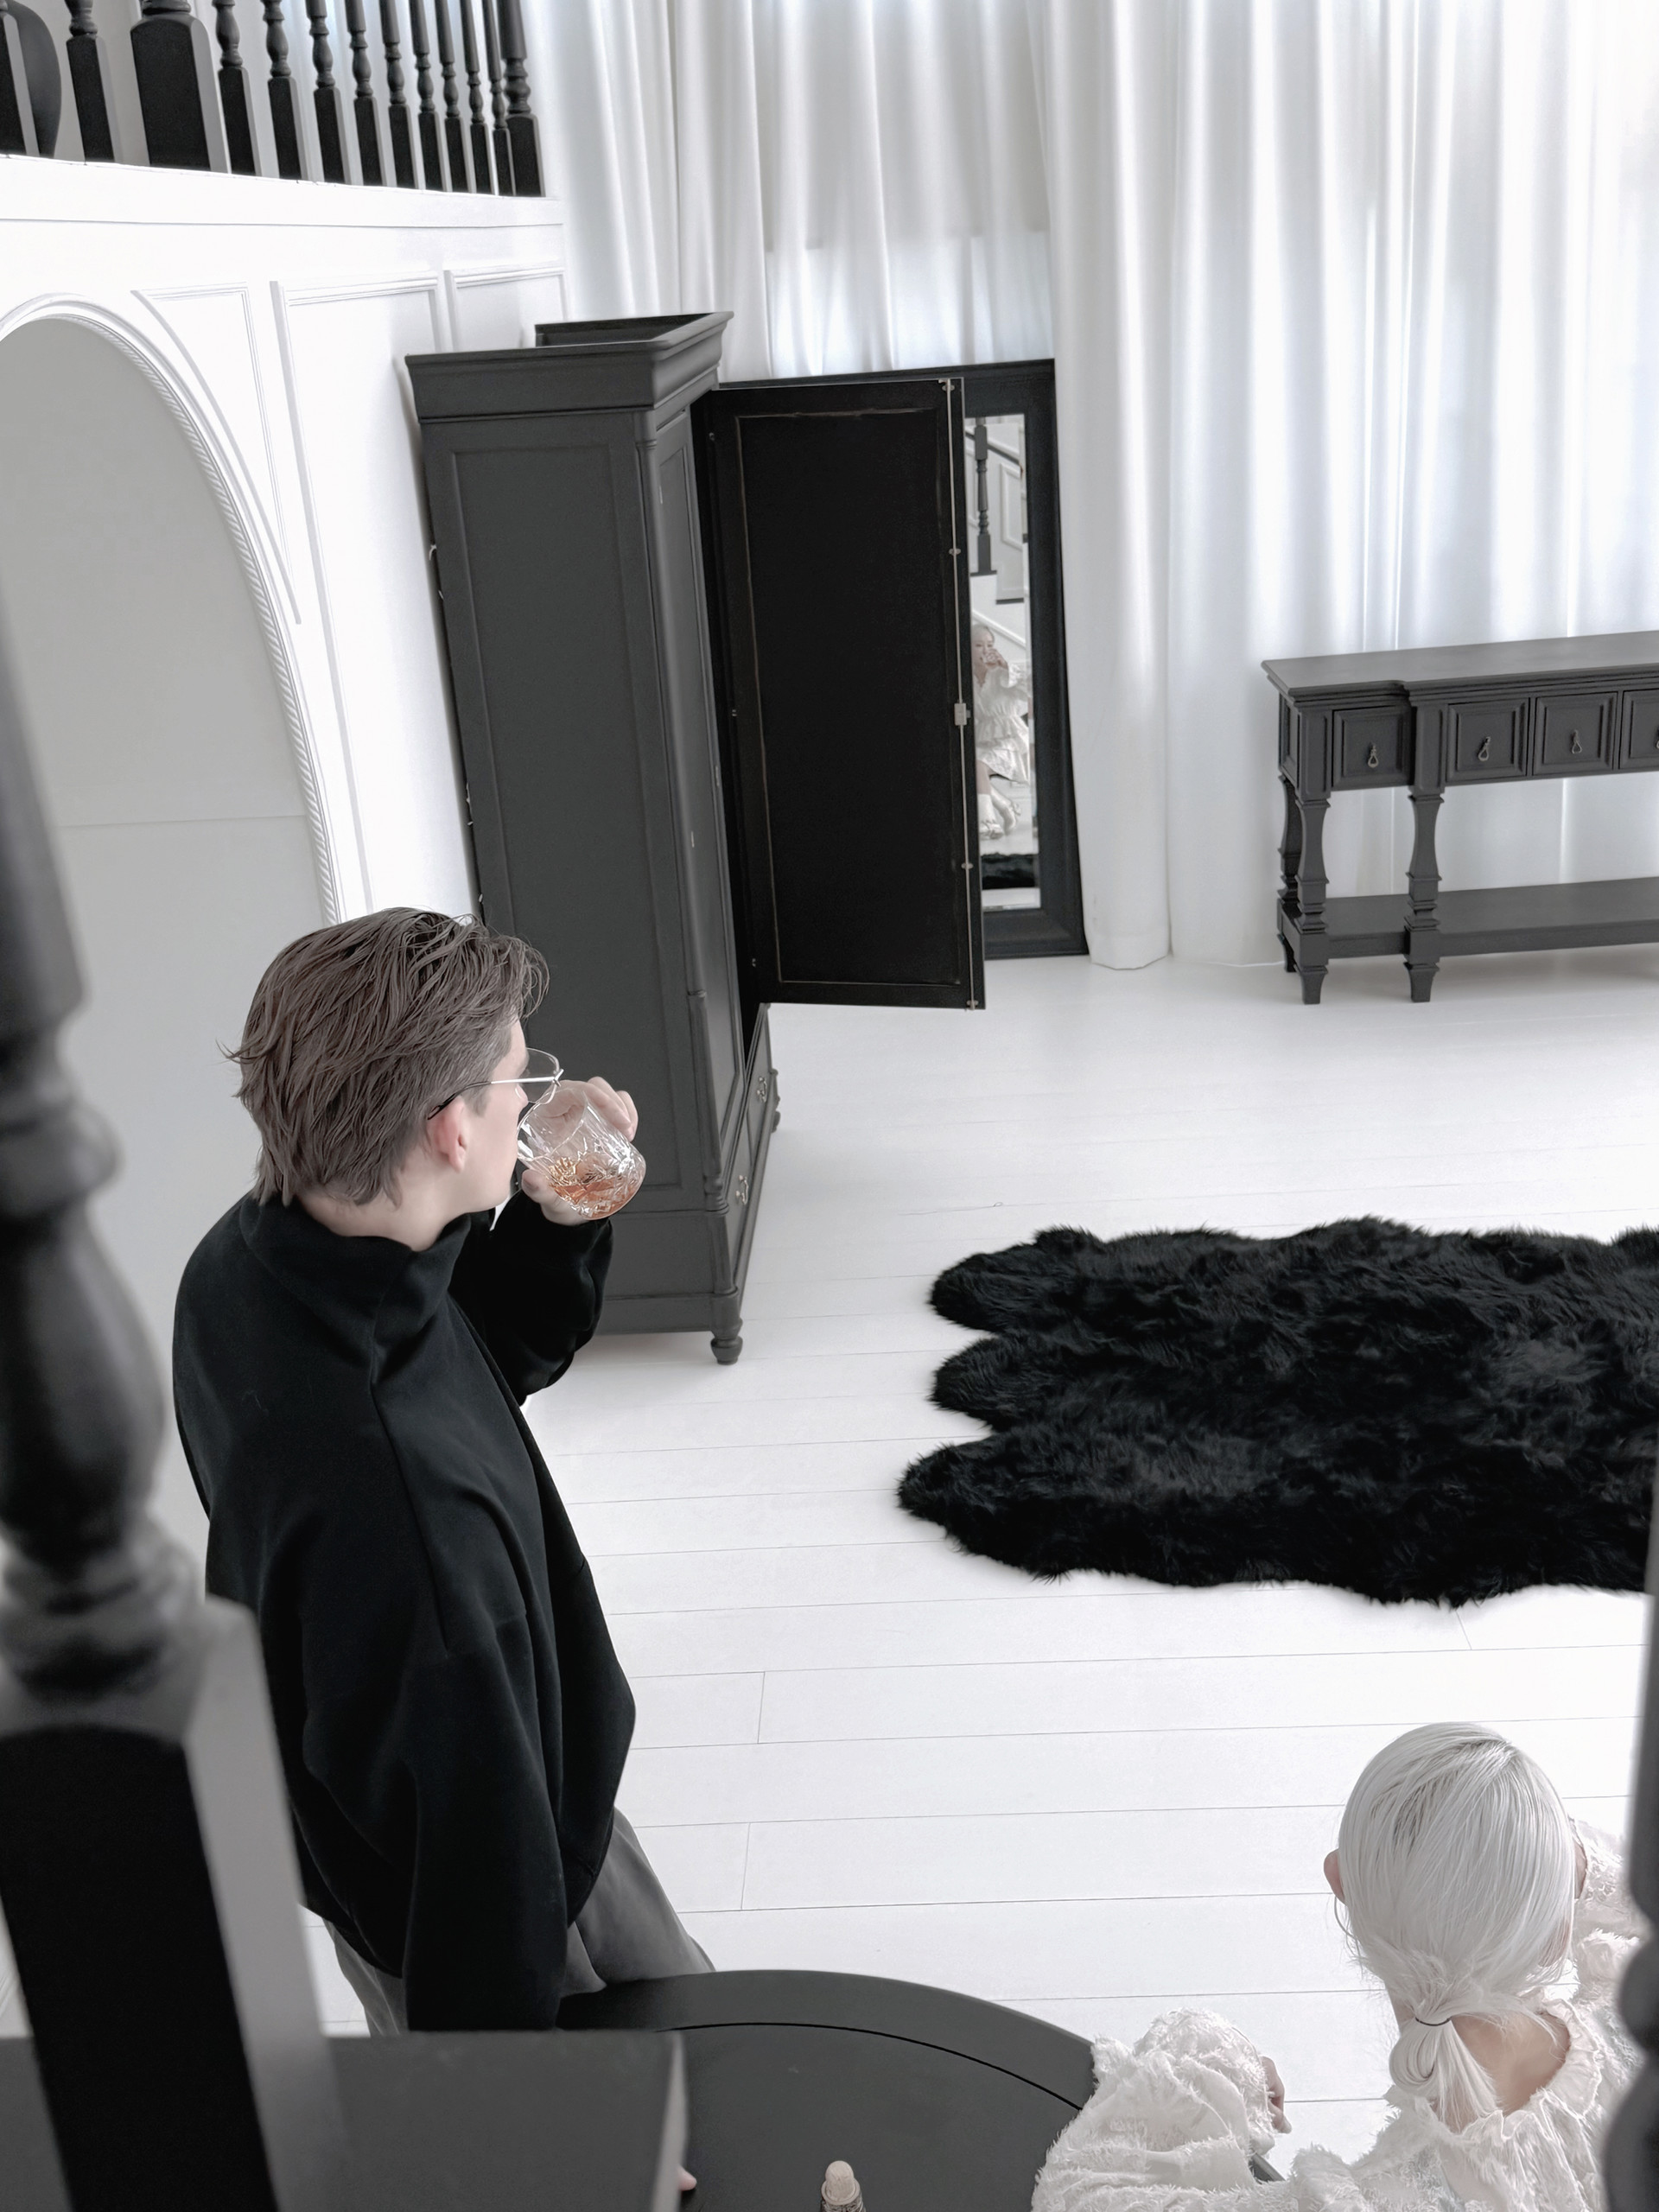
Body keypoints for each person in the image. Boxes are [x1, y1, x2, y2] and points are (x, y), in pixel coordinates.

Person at [173, 907, 712, 2039]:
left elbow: (475, 1355)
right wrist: (522, 2099)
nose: (535, 1098)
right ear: (451, 1130)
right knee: (661, 2082)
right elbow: (484, 1924)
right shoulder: (418, 1527)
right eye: (517, 1080)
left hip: (370, 1824)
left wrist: (559, 1215)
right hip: (497, 1883)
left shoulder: (245, 1265)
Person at [1033, 1724, 1643, 2212]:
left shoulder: (1374, 2201)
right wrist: (1552, 1866)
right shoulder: (1639, 2037)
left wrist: (1217, 2058)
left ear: (1339, 1880)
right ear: (1561, 1922)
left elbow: (1080, 2195)